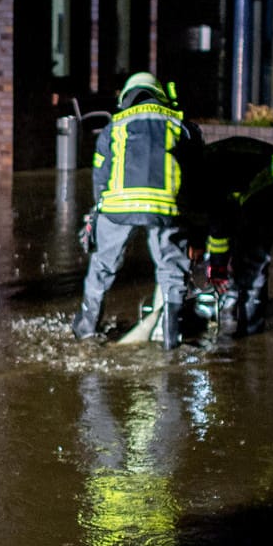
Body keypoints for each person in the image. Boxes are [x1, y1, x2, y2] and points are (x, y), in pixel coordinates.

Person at [71, 71, 203, 350]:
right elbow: (194, 180)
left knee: (102, 266)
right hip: (165, 208)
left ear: (127, 97)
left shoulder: (114, 127)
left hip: (117, 207)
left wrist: (96, 217)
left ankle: (86, 331)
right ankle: (171, 339)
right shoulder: (181, 126)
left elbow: (100, 178)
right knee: (172, 271)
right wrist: (193, 227)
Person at [195, 136, 273, 337]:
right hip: (247, 178)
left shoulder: (206, 179)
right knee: (238, 245)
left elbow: (219, 230)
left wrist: (217, 268)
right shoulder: (202, 170)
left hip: (270, 179)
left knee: (254, 256)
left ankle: (250, 332)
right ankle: (233, 302)